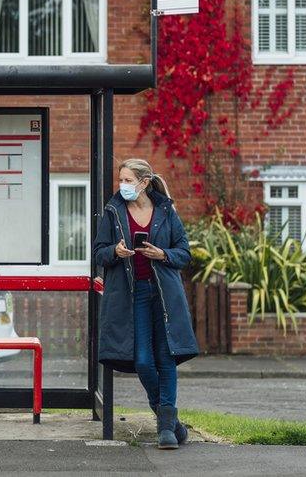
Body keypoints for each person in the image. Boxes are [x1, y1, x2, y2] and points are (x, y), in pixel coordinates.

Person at [93, 158, 197, 450]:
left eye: (127, 180)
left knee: (166, 358)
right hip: (132, 294)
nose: (122, 185)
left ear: (144, 182)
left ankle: (165, 428)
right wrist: (115, 250)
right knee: (142, 360)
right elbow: (99, 253)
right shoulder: (114, 212)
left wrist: (162, 254)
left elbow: (184, 253)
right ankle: (172, 422)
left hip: (163, 294)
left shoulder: (166, 210)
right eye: (121, 180)